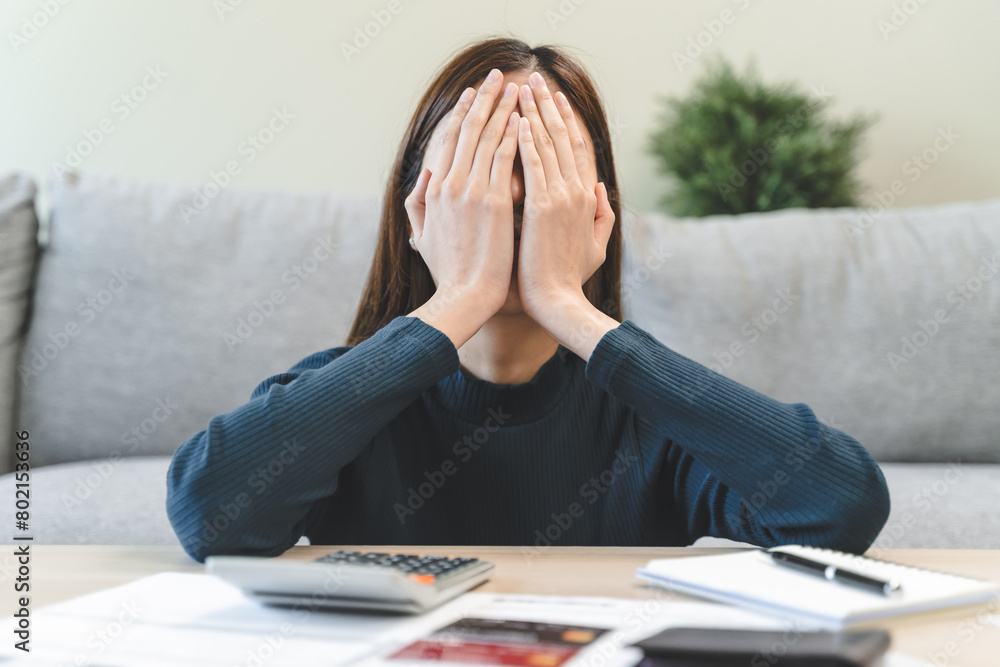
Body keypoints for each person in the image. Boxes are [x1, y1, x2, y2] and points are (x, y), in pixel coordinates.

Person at [166, 37, 890, 563]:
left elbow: (841, 507)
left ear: (596, 210)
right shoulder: (351, 404)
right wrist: (460, 299)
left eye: (546, 173)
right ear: (421, 211)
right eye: (477, 175)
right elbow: (209, 511)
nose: (512, 203)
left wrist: (566, 304)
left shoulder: (651, 417)